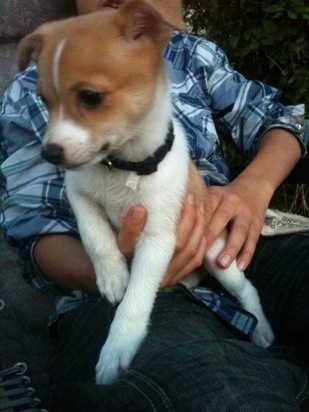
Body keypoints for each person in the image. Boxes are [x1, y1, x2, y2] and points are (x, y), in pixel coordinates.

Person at [1, 0, 309, 410]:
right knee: (223, 395)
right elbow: (30, 227)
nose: (57, 130)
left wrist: (253, 186)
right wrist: (105, 267)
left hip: (234, 240)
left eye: (90, 99)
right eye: (51, 103)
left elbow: (288, 118)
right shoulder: (32, 80)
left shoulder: (196, 55)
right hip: (109, 294)